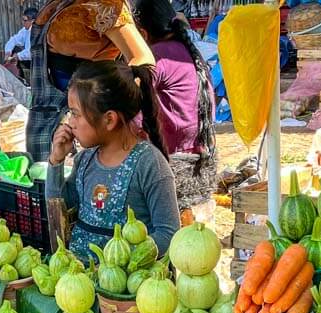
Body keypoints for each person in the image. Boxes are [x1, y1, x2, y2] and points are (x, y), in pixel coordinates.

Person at [47, 60, 179, 259]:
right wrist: (56, 161)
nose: (70, 123)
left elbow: (168, 234)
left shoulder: (150, 164)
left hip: (127, 285)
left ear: (109, 119)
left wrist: (124, 262)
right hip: (79, 278)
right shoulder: (84, 160)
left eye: (75, 114)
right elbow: (58, 206)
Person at [26, 0, 155, 162]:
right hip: (44, 115)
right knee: (44, 180)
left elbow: (143, 59)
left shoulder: (106, 5)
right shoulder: (60, 3)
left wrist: (106, 101)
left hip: (78, 126)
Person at [134, 0, 217, 224]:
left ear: (142, 32)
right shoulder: (188, 51)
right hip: (201, 152)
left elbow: (134, 117)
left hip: (177, 157)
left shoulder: (157, 56)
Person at [4, 8, 35, 80]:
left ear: (32, 21)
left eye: (25, 20)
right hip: (29, 59)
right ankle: (18, 78)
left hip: (38, 61)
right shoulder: (25, 30)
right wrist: (8, 52)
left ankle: (21, 79)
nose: (23, 23)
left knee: (16, 55)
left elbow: (31, 52)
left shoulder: (36, 32)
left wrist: (18, 56)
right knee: (14, 49)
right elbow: (13, 39)